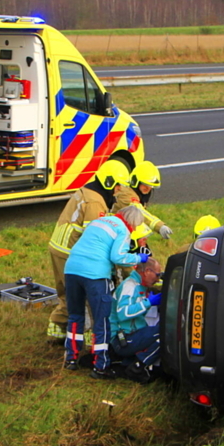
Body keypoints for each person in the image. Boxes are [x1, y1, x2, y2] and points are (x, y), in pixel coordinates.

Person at [46, 160, 131, 341]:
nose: (119, 190)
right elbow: (94, 237)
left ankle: (58, 329)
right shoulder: (95, 203)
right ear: (108, 182)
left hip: (60, 246)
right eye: (118, 186)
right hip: (69, 251)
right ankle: (83, 335)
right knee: (80, 295)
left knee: (67, 293)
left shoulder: (90, 191)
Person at [63, 204, 148, 379]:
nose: (133, 230)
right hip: (96, 275)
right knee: (102, 319)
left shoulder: (99, 221)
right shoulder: (122, 230)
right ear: (132, 222)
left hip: (71, 269)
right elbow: (118, 257)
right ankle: (100, 366)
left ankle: (71, 358)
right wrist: (139, 257)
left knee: (75, 316)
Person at [108, 257, 164, 383]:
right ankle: (138, 367)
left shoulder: (140, 286)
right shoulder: (130, 286)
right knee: (165, 332)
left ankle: (129, 364)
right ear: (147, 271)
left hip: (132, 335)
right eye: (157, 275)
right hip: (122, 339)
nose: (158, 279)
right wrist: (148, 303)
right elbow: (123, 313)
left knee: (160, 329)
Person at [115, 160, 173, 241]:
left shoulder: (136, 194)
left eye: (151, 186)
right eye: (145, 184)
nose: (148, 188)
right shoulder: (126, 194)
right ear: (135, 182)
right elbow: (139, 212)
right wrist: (159, 226)